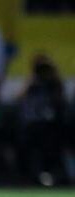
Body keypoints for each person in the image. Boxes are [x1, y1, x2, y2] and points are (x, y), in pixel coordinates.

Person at [17, 54, 68, 187]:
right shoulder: (32, 83)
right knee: (29, 145)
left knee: (52, 143)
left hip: (52, 127)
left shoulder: (54, 83)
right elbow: (18, 98)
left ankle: (54, 177)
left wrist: (53, 71)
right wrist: (31, 78)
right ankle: (32, 177)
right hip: (31, 128)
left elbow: (62, 96)